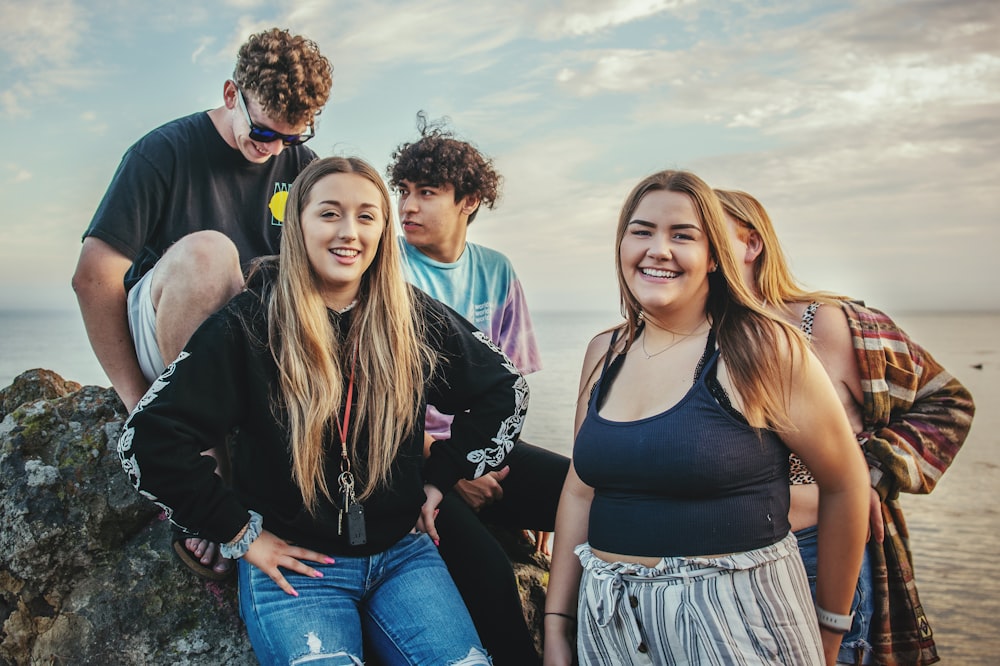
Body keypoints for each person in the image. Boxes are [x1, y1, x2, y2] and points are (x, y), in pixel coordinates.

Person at [116, 156, 525, 664]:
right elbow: (150, 438)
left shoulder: (408, 313)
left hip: (405, 556)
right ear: (299, 224)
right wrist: (243, 535)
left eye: (367, 216)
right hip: (296, 569)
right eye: (329, 214)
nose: (349, 232)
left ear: (382, 229)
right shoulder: (251, 322)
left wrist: (440, 478)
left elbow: (502, 388)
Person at [544, 170, 871, 666]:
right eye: (642, 231)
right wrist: (558, 625)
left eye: (682, 235)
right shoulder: (603, 352)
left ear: (714, 256)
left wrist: (830, 628)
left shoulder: (760, 346)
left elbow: (846, 483)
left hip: (738, 624)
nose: (658, 249)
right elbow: (580, 490)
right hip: (609, 624)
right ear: (621, 245)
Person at [72, 28, 332, 580]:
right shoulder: (163, 151)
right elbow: (94, 279)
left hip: (249, 344)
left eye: (290, 136)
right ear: (231, 92)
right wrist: (138, 403)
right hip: (169, 327)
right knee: (213, 253)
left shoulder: (300, 163)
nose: (272, 148)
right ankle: (205, 468)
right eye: (262, 130)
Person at [717, 188, 975, 665]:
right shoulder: (690, 338)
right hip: (723, 562)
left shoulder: (832, 325)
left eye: (711, 234)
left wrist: (874, 474)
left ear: (751, 244)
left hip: (821, 550)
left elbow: (948, 401)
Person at [387, 116, 570, 666]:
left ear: (468, 201)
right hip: (409, 461)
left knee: (591, 496)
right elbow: (378, 404)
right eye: (403, 191)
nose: (407, 207)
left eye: (427, 192)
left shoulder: (496, 271)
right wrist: (453, 471)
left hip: (478, 450)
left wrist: (506, 478)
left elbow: (507, 393)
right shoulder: (385, 269)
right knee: (491, 575)